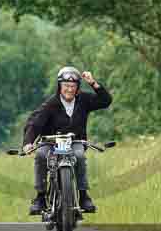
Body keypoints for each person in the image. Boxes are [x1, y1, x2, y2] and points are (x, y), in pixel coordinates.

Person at [23, 66, 112, 215]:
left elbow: (105, 101)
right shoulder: (51, 103)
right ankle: (40, 197)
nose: (69, 89)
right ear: (60, 87)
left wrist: (93, 83)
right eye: (66, 86)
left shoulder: (84, 100)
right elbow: (35, 124)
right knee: (40, 155)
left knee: (79, 156)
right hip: (51, 143)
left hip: (75, 142)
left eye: (73, 86)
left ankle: (83, 196)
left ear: (77, 88)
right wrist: (28, 142)